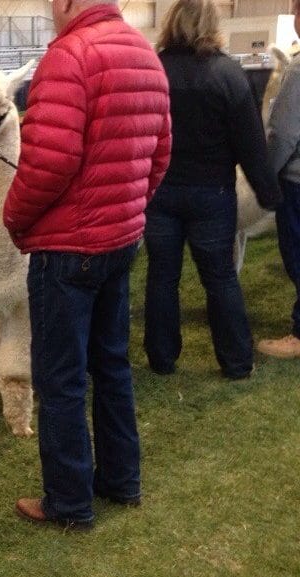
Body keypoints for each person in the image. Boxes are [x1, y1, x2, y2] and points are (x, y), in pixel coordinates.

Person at [3, 0, 171, 529]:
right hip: (119, 239)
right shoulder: (145, 54)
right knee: (112, 366)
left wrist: (14, 218)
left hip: (68, 248)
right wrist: (130, 206)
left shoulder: (68, 56)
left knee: (61, 380)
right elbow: (159, 152)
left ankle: (70, 502)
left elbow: (49, 162)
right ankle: (121, 481)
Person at [143, 0, 280, 378]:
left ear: (170, 23)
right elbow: (250, 146)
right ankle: (236, 362)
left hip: (160, 194)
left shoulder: (153, 72)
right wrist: (270, 197)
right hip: (213, 196)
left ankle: (161, 358)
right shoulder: (229, 75)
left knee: (162, 275)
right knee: (219, 276)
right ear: (212, 24)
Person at [257, 0, 300, 359]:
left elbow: (284, 134)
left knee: (298, 255)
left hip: (298, 182)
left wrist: (265, 176)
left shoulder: (298, 71)